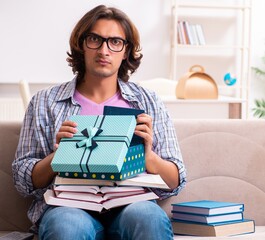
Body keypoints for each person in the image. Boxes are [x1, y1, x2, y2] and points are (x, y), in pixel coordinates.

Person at [12, 4, 186, 240]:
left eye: (115, 42)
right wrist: (58, 157)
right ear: (81, 45)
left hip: (132, 204)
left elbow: (176, 181)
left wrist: (148, 157)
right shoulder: (44, 102)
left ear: (125, 51)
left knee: (150, 219)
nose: (104, 50)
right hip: (69, 207)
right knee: (65, 227)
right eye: (95, 39)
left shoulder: (148, 101)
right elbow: (22, 180)